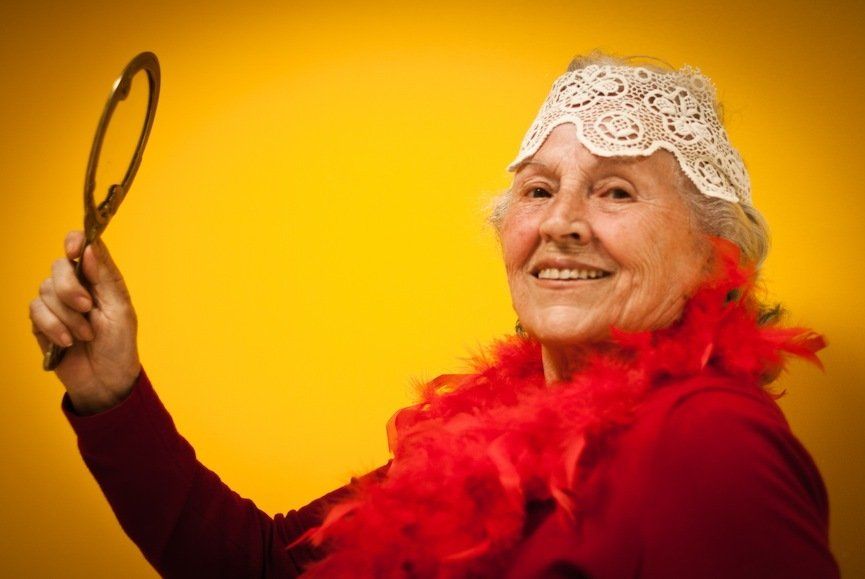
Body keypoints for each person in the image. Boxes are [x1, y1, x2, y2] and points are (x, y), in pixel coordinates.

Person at [30, 53, 840, 578]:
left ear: (714, 256)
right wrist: (111, 392)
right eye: (537, 189)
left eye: (616, 190)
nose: (560, 221)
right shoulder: (481, 434)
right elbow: (270, 569)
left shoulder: (707, 437)